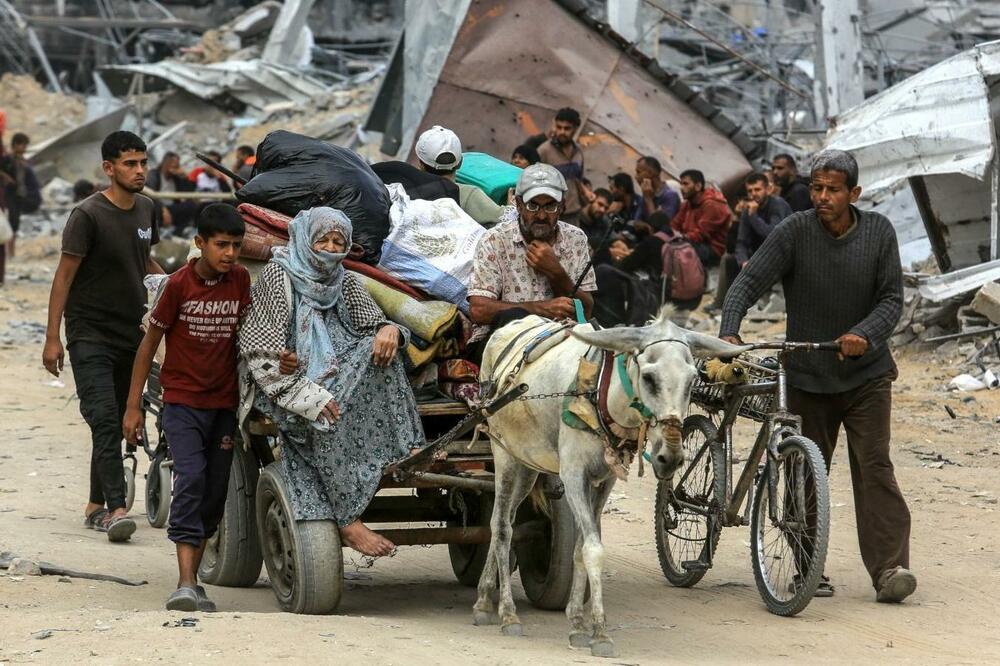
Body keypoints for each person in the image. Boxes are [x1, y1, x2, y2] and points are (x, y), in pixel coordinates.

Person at [719, 149, 916, 604]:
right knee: (804, 469)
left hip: (866, 374)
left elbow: (890, 300)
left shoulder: (879, 233)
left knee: (875, 467)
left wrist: (862, 335)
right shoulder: (795, 231)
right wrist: (730, 329)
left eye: (833, 190)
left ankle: (889, 569)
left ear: (855, 193)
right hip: (807, 374)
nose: (823, 197)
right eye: (816, 189)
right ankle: (808, 568)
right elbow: (748, 282)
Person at [239, 207, 424, 557]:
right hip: (287, 384)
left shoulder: (345, 280)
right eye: (321, 239)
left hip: (340, 377)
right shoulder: (278, 277)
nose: (329, 247)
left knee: (384, 348)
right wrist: (307, 397)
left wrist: (390, 331)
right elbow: (261, 353)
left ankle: (409, 447)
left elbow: (373, 323)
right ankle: (346, 520)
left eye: (338, 241)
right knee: (326, 419)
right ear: (306, 241)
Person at [122, 204, 250, 611]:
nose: (229, 253)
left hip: (224, 404)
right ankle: (186, 582)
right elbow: (148, 347)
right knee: (191, 479)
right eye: (221, 245)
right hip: (182, 402)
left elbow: (251, 336)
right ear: (200, 244)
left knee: (214, 494)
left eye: (235, 245)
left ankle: (195, 575)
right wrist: (133, 406)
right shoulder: (178, 285)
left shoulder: (242, 280)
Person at [42, 130, 163, 542]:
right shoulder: (87, 215)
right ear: (108, 169)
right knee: (104, 419)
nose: (140, 171)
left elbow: (143, 259)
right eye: (130, 164)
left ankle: (95, 505)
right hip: (89, 333)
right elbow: (64, 278)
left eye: (143, 162)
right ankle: (116, 508)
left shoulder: (147, 209)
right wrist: (52, 338)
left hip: (132, 332)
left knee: (116, 418)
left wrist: (178, 284)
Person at [467, 163, 596, 363]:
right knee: (511, 317)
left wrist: (556, 273)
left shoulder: (575, 239)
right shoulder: (495, 240)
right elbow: (478, 310)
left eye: (550, 206)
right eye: (532, 206)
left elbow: (586, 311)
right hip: (501, 345)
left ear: (562, 207)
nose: (542, 215)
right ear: (518, 204)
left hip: (562, 346)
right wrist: (543, 309)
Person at [706, 172, 792, 314]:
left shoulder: (778, 205)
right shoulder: (749, 210)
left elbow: (773, 235)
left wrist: (753, 217)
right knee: (728, 259)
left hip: (780, 254)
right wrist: (743, 261)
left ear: (767, 189)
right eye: (750, 191)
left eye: (757, 190)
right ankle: (721, 302)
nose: (753, 194)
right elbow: (741, 242)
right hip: (759, 255)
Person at [415, 125, 504, 226]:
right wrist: (511, 207)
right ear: (460, 163)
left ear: (421, 165)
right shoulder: (468, 195)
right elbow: (504, 219)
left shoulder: (404, 189)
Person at [536, 107, 591, 225]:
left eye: (567, 128)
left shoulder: (578, 152)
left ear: (575, 129)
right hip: (551, 214)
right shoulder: (543, 151)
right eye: (559, 127)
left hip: (574, 213)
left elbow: (578, 178)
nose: (562, 132)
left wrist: (586, 191)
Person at [0, 132, 41, 285]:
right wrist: (6, 178)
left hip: (18, 196)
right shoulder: (7, 159)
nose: (24, 148)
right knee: (8, 224)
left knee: (14, 224)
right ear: (15, 144)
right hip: (7, 196)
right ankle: (9, 252)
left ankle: (12, 253)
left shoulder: (23, 161)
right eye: (22, 144)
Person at [671, 169, 732, 267]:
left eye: (686, 184)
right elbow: (675, 224)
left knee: (676, 248)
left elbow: (701, 234)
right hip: (690, 241)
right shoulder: (687, 203)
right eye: (681, 184)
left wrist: (679, 237)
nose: (682, 188)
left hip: (711, 249)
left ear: (698, 186)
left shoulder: (712, 205)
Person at [147, 152, 196, 231]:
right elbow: (150, 195)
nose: (175, 166)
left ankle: (178, 231)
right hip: (158, 207)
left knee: (191, 205)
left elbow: (188, 193)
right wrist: (163, 208)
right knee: (156, 209)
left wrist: (184, 176)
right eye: (173, 163)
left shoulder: (175, 178)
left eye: (177, 164)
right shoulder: (154, 174)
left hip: (171, 207)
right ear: (165, 163)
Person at [635, 156, 680, 223]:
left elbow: (659, 227)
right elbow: (637, 221)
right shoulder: (647, 192)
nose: (636, 176)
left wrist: (648, 199)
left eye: (638, 172)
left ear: (650, 173)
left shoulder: (670, 196)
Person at [579, 187, 614, 252]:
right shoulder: (574, 219)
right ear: (591, 200)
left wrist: (618, 242)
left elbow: (612, 236)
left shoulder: (603, 219)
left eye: (606, 208)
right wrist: (608, 251)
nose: (602, 210)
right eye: (600, 204)